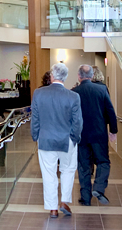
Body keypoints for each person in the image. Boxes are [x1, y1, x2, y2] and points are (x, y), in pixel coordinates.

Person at [31, 63, 82, 218]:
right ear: (65, 78)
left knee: (49, 174)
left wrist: (35, 136)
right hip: (67, 140)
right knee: (68, 170)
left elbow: (35, 119)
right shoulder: (73, 96)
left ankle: (52, 208)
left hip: (45, 140)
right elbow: (78, 121)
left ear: (52, 75)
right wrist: (75, 138)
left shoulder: (38, 94)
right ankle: (65, 201)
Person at [71, 65, 117, 206]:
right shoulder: (101, 89)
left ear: (79, 76)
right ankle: (98, 188)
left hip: (82, 135)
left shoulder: (74, 92)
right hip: (99, 134)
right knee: (103, 162)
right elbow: (110, 111)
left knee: (84, 166)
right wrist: (113, 130)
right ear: (91, 76)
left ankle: (85, 198)